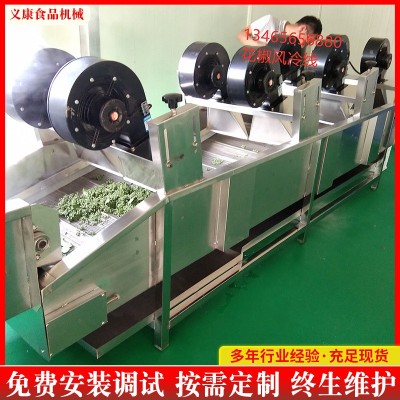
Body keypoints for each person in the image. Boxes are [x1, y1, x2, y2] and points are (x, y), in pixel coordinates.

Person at [237, 15, 322, 47]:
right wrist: (265, 47)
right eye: (306, 42)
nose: (303, 46)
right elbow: (241, 35)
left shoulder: (293, 47)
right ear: (303, 29)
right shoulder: (269, 21)